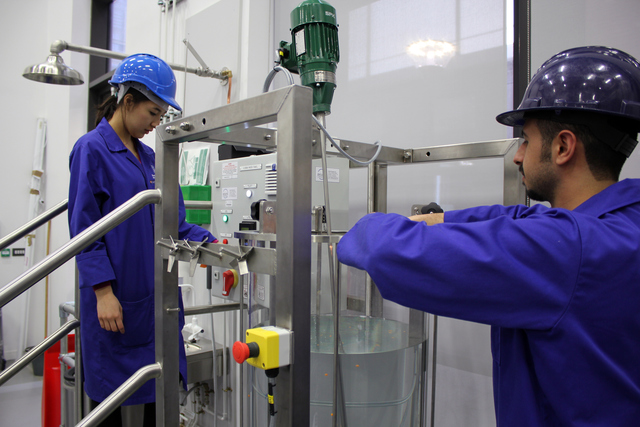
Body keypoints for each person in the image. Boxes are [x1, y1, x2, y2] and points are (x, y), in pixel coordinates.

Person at [337, 46, 640, 425]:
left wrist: (357, 231)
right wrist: (433, 220)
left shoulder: (570, 251)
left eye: (526, 141)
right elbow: (509, 217)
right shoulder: (622, 222)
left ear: (563, 147)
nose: (517, 156)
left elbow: (386, 251)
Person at [68, 54, 215, 426]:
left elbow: (175, 222)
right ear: (127, 101)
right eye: (152, 113)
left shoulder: (152, 157)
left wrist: (212, 243)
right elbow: (84, 228)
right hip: (116, 299)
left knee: (158, 395)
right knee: (112, 405)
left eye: (161, 116)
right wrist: (102, 291)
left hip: (155, 298)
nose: (155, 123)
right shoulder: (92, 149)